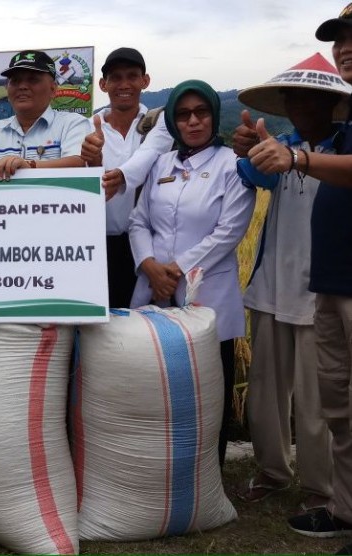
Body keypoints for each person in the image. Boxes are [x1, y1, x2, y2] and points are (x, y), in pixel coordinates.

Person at [247, 4, 352, 546]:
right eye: (293, 97)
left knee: (321, 402)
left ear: (331, 103)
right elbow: (249, 168)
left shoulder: (330, 149)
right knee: (280, 393)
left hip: (325, 290)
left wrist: (297, 160)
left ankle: (322, 489)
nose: (299, 105)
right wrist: (252, 147)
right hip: (284, 290)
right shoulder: (280, 151)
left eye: (310, 96)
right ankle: (275, 473)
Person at [128, 79, 256, 467]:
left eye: (201, 112)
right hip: (155, 293)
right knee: (162, 389)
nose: (193, 121)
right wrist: (149, 266)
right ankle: (163, 470)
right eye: (183, 115)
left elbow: (230, 231)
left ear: (213, 116)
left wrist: (177, 270)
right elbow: (139, 221)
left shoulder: (232, 166)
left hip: (207, 297)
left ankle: (207, 475)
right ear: (173, 122)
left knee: (207, 392)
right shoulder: (161, 164)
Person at [79, 47, 174, 308]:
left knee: (144, 328)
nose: (124, 84)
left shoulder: (160, 122)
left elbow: (150, 152)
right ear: (103, 84)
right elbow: (81, 184)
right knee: (100, 328)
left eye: (132, 76)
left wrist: (120, 176)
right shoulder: (86, 127)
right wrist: (93, 161)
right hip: (96, 246)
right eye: (115, 77)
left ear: (145, 81)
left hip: (146, 249)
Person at [0, 49, 90, 179]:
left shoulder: (73, 123)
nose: (22, 86)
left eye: (33, 80)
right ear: (7, 88)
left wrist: (29, 166)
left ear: (53, 89)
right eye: (15, 80)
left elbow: (78, 164)